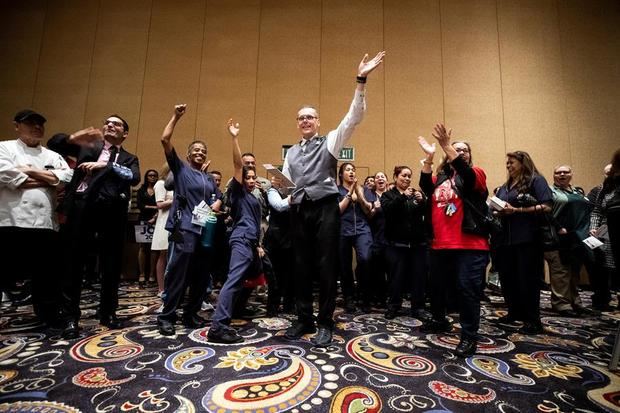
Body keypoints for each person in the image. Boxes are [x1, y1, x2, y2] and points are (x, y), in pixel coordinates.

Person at [282, 51, 385, 347]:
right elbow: (289, 184)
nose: (305, 121)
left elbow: (354, 117)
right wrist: (280, 188)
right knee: (300, 265)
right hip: (300, 210)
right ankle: (303, 318)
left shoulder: (330, 140)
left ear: (317, 121)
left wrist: (361, 80)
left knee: (327, 265)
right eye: (300, 118)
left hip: (326, 208)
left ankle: (325, 321)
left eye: (309, 117)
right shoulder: (290, 153)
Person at [59, 115, 140, 339]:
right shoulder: (88, 149)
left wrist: (106, 165)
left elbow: (133, 177)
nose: (110, 125)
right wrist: (75, 137)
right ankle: (70, 317)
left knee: (111, 265)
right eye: (107, 122)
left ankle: (107, 313)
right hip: (82, 209)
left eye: (117, 124)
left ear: (125, 133)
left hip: (112, 213)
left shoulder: (128, 158)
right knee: (74, 264)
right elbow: (55, 144)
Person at [418, 126, 490, 357]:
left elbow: (467, 176)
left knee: (466, 291)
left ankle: (469, 336)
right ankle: (439, 320)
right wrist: (429, 159)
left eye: (464, 150)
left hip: (469, 245)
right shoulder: (442, 178)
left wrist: (446, 145)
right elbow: (426, 187)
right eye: (457, 149)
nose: (461, 152)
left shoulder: (476, 173)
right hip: (440, 244)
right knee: (436, 288)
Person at [0, 110, 73, 326]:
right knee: (6, 270)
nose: (36, 127)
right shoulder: (4, 147)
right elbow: (4, 175)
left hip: (45, 223)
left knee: (47, 274)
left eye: (40, 123)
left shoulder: (52, 155)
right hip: (12, 221)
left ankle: (48, 316)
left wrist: (27, 172)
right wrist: (48, 179)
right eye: (30, 123)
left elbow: (67, 178)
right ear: (17, 126)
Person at [156, 104, 221, 336]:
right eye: (195, 149)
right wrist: (176, 116)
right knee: (177, 274)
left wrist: (218, 204)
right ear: (187, 154)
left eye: (203, 150)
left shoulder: (208, 178)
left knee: (201, 275)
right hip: (184, 227)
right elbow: (165, 139)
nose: (200, 152)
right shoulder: (181, 170)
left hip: (205, 229)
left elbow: (218, 196)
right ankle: (167, 316)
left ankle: (191, 313)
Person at [207, 119, 263, 343]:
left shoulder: (254, 198)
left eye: (253, 177)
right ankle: (218, 326)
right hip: (240, 240)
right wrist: (234, 137)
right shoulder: (238, 192)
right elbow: (238, 165)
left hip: (250, 243)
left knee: (242, 281)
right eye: (247, 177)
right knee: (233, 280)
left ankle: (227, 318)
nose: (250, 180)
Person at [494, 150, 552, 335]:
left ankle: (533, 319)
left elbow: (547, 205)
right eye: (507, 163)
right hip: (505, 239)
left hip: (528, 238)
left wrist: (518, 210)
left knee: (527, 279)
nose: (508, 166)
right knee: (508, 277)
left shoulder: (536, 180)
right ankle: (514, 312)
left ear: (522, 162)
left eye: (512, 163)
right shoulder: (506, 186)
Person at [543, 165, 594, 316]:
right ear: (553, 176)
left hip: (577, 236)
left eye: (566, 172)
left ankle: (575, 302)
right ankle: (561, 304)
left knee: (574, 271)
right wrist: (558, 227)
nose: (562, 174)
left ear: (572, 174)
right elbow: (545, 213)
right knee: (561, 271)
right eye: (558, 172)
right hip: (559, 237)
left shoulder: (578, 192)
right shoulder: (550, 192)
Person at [380, 165, 428, 320]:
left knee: (418, 277)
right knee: (396, 278)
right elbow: (389, 210)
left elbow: (425, 213)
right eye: (403, 176)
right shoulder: (388, 195)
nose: (407, 179)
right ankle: (394, 306)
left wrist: (423, 201)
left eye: (409, 176)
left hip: (417, 245)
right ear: (395, 177)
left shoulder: (415, 195)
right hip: (396, 244)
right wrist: (403, 197)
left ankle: (418, 308)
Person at [337, 162, 374, 312]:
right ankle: (349, 298)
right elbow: (337, 211)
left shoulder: (364, 189)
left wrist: (358, 194)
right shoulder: (336, 190)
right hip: (343, 230)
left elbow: (368, 210)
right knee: (344, 266)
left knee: (365, 259)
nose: (351, 172)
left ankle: (365, 297)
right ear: (341, 174)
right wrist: (348, 193)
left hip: (362, 229)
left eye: (353, 170)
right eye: (348, 170)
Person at [590, 149, 620, 308]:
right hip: (606, 233)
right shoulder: (604, 189)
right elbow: (596, 211)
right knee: (603, 267)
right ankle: (603, 297)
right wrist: (593, 228)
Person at [152, 163, 173, 297]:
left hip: (176, 222)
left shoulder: (179, 184)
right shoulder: (161, 183)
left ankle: (171, 287)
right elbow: (159, 204)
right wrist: (173, 200)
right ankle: (161, 288)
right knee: (163, 255)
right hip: (164, 221)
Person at [136, 169, 159, 287]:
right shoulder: (141, 190)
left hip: (156, 220)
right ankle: (141, 274)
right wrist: (154, 206)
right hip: (143, 219)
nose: (152, 177)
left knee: (154, 248)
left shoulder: (159, 189)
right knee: (142, 247)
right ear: (146, 177)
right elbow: (140, 205)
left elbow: (160, 206)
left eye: (155, 175)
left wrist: (154, 213)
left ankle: (152, 274)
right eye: (150, 175)